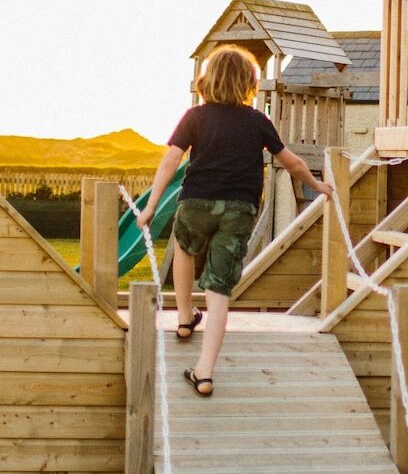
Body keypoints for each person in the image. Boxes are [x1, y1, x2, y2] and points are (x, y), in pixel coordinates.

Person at [138, 46, 334, 397]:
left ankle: (184, 317)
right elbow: (293, 163)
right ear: (249, 84)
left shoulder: (194, 116)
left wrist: (151, 206)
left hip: (196, 201)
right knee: (219, 290)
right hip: (238, 208)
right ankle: (205, 372)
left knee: (184, 248)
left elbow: (170, 161)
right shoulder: (258, 121)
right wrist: (318, 186)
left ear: (207, 79)